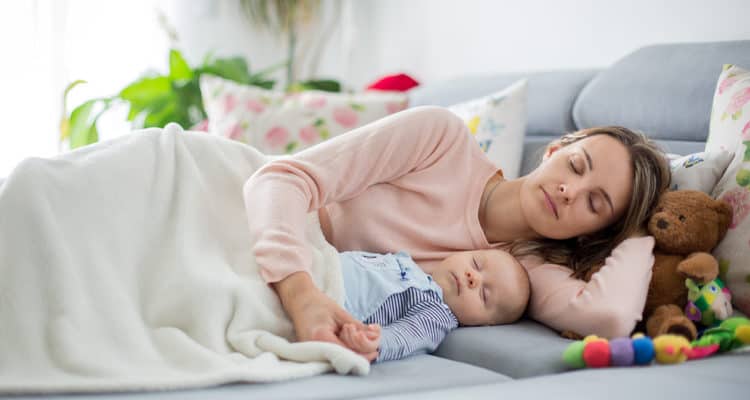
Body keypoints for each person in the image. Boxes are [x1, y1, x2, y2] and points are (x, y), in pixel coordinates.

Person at [243, 106, 670, 360]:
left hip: (270, 274)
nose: (569, 190)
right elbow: (280, 179)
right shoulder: (440, 140)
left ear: (594, 232)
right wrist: (301, 295)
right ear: (556, 149)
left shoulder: (520, 273)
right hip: (250, 206)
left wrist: (639, 228)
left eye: (595, 204)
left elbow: (611, 317)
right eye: (576, 166)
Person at [337, 248, 529, 362]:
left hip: (335, 299)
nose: (473, 277)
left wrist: (375, 342)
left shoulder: (437, 314)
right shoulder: (411, 266)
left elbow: (406, 336)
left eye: (483, 294)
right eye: (476, 263)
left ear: (483, 323)